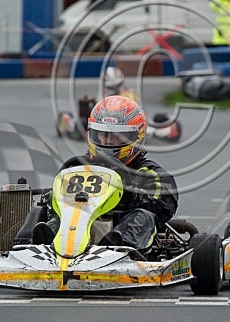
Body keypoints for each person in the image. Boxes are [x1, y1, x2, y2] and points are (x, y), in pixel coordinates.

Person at [32, 95, 178, 250]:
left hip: (120, 229)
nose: (108, 141)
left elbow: (163, 204)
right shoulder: (76, 167)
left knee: (143, 216)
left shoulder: (149, 173)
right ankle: (33, 244)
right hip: (76, 224)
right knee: (46, 211)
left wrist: (129, 194)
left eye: (115, 136)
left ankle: (120, 246)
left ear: (137, 136)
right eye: (103, 134)